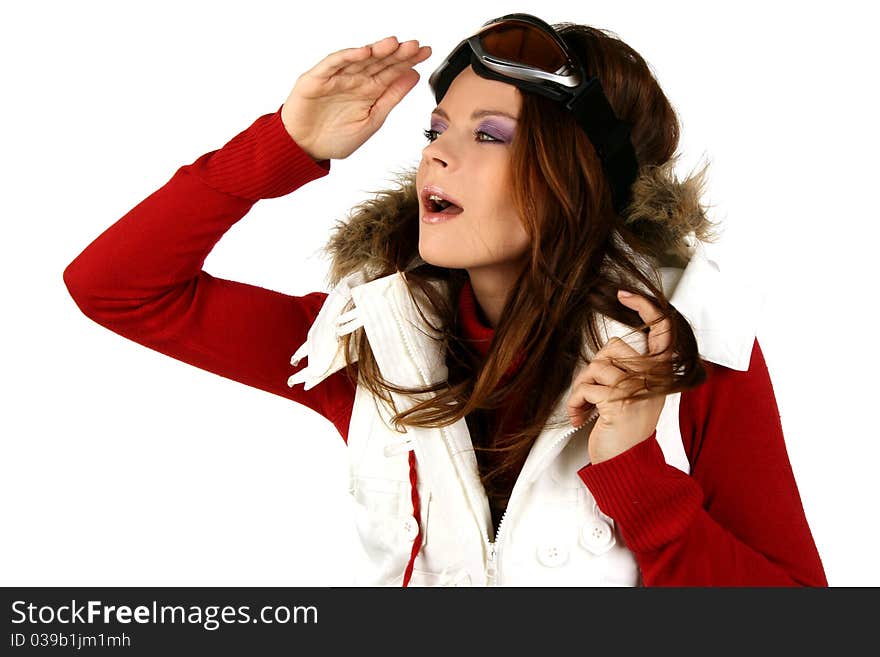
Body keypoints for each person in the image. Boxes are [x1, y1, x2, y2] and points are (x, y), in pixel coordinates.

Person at [63, 13, 826, 587]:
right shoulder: (366, 345)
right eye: (436, 128)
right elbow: (115, 287)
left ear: (578, 177)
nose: (435, 150)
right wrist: (285, 145)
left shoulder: (682, 350)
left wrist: (637, 475)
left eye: (489, 133)